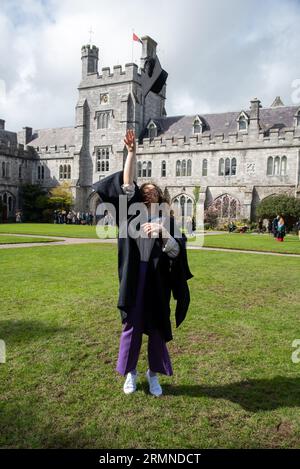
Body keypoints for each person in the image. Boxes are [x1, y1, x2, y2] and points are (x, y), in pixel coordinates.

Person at [92, 129, 193, 397]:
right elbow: (126, 183)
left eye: (153, 193)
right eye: (143, 192)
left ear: (160, 199)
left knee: (158, 328)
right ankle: (131, 374)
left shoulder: (168, 223)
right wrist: (132, 153)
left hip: (157, 280)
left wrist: (162, 234)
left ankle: (153, 375)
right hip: (135, 277)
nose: (147, 194)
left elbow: (176, 254)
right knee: (132, 326)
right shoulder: (128, 216)